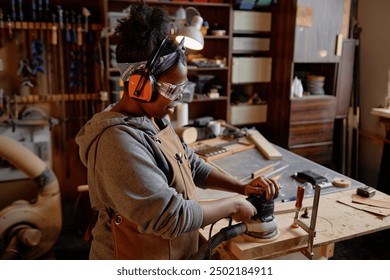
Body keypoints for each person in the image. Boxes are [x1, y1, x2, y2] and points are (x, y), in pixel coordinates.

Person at [76, 2, 279, 260]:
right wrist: (233, 205)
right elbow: (170, 217)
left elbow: (189, 164)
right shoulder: (116, 141)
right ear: (139, 86)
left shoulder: (153, 117)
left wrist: (240, 188)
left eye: (180, 90)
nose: (177, 101)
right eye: (171, 91)